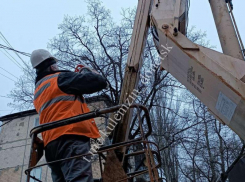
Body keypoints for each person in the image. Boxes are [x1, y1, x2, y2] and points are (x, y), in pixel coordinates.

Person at [31, 49, 107, 182]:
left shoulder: (38, 92)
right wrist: (84, 71)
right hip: (71, 138)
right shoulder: (60, 78)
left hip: (51, 146)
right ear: (52, 66)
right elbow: (99, 82)